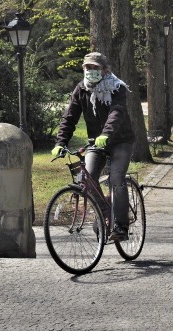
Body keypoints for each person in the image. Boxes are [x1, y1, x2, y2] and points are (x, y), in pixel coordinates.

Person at [51, 52, 135, 241]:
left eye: (95, 68)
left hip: (121, 141)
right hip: (96, 143)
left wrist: (106, 133)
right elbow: (70, 117)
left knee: (116, 179)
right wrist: (60, 142)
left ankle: (120, 226)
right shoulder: (81, 89)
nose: (90, 71)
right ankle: (106, 213)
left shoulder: (117, 88)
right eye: (87, 68)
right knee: (86, 180)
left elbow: (117, 112)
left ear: (105, 70)